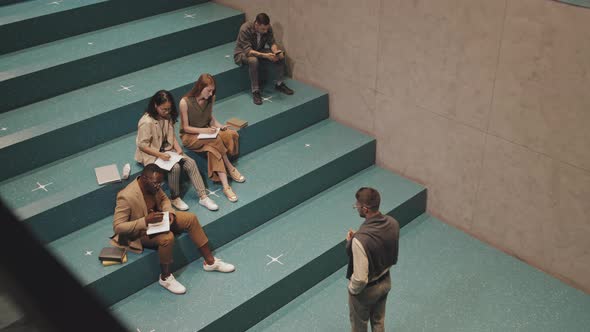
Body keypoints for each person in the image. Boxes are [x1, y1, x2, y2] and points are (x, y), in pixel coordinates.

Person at [111, 164, 235, 295]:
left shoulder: (154, 184)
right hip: (139, 232)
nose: (158, 186)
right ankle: (165, 278)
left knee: (190, 218)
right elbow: (118, 227)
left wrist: (169, 212)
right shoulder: (126, 196)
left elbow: (164, 199)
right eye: (155, 183)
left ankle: (210, 262)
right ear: (143, 178)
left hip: (157, 220)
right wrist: (145, 221)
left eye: (160, 182)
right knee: (167, 237)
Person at [135, 90, 218, 212]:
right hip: (152, 153)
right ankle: (175, 197)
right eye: (164, 109)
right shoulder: (146, 122)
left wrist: (179, 149)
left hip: (167, 150)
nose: (167, 112)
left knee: (190, 162)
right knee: (175, 168)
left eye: (169, 109)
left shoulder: (167, 116)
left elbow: (171, 135)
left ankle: (203, 197)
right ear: (155, 106)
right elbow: (142, 145)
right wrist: (160, 155)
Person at [179, 74, 244, 203]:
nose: (210, 93)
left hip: (206, 133)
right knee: (215, 140)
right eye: (208, 90)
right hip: (190, 137)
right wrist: (205, 130)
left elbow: (210, 117)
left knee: (221, 142)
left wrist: (220, 126)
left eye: (212, 90)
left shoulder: (211, 98)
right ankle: (230, 167)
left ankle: (226, 187)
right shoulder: (184, 102)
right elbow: (186, 128)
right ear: (200, 87)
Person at [346, 187, 399, 332]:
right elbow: (380, 243)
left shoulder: (360, 241)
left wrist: (352, 289)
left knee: (359, 327)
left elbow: (360, 279)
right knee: (378, 322)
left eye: (357, 206)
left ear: (365, 208)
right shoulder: (393, 223)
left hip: (367, 290)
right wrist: (358, 238)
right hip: (386, 282)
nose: (357, 208)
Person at [234, 12, 294, 105]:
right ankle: (255, 91)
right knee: (253, 60)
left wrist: (275, 52)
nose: (265, 31)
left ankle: (279, 84)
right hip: (242, 53)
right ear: (256, 24)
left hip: (259, 49)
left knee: (281, 55)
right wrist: (266, 56)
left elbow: (272, 43)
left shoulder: (268, 28)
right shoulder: (245, 29)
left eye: (267, 28)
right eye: (263, 29)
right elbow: (249, 51)